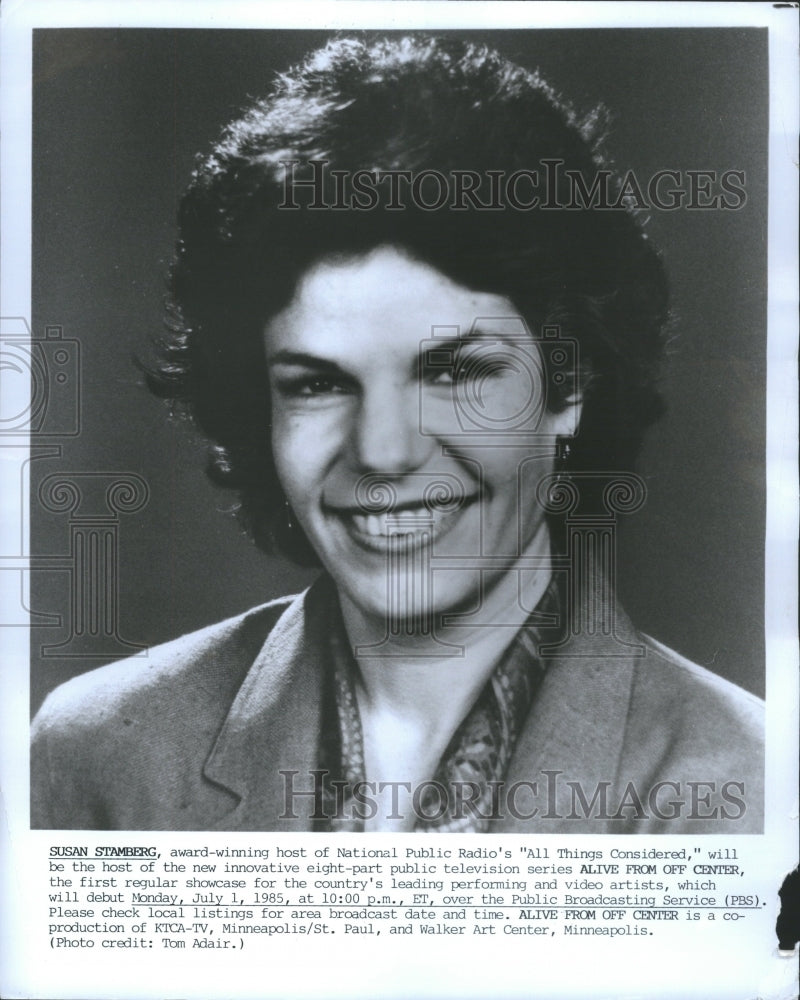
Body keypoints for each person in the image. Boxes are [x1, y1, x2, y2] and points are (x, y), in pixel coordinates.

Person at [31, 35, 763, 832]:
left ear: (571, 384)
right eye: (317, 383)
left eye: (451, 373)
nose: (382, 451)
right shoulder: (100, 752)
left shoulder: (750, 783)